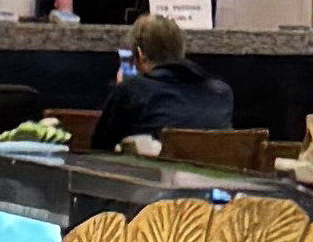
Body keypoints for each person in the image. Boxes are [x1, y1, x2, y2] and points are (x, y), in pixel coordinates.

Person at [92, 10, 239, 150]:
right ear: (181, 51)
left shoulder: (132, 90)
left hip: (152, 168)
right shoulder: (221, 93)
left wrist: (121, 91)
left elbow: (100, 147)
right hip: (213, 168)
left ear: (139, 54)